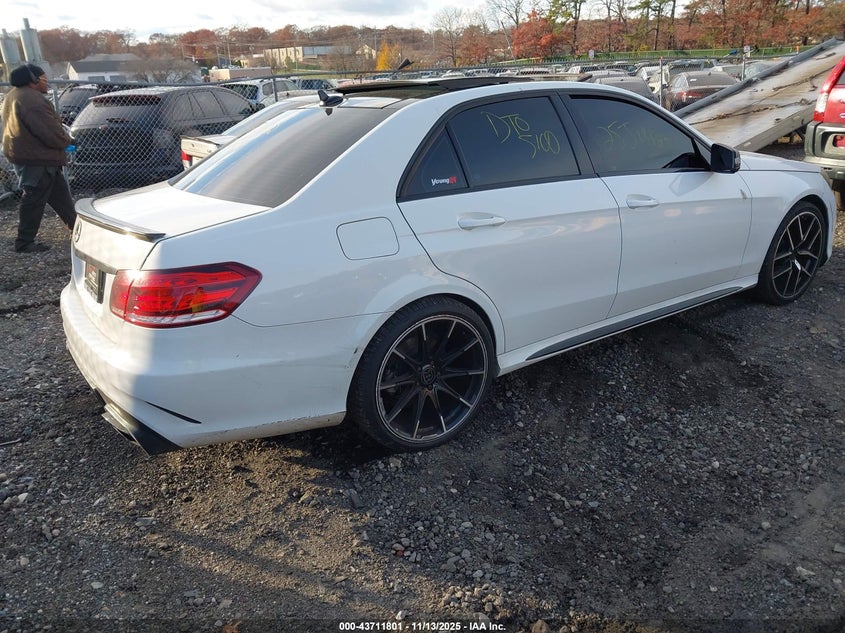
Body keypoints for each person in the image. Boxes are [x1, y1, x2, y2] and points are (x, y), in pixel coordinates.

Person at [1, 63, 76, 253]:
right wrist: (66, 139)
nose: (47, 82)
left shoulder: (14, 95)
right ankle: (24, 242)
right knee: (33, 199)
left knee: (61, 196)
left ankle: (77, 229)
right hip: (37, 159)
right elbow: (49, 132)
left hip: (34, 157)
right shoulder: (32, 100)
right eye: (43, 79)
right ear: (33, 80)